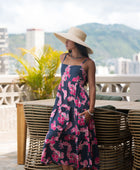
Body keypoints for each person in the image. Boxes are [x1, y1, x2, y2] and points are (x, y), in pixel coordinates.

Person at [41, 27, 99, 170]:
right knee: (54, 135)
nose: (66, 42)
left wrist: (91, 110)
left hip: (80, 106)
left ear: (76, 43)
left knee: (79, 140)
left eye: (69, 40)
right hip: (61, 105)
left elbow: (92, 87)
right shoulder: (63, 57)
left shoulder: (88, 63)